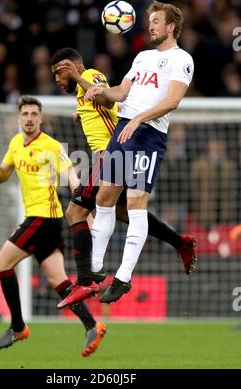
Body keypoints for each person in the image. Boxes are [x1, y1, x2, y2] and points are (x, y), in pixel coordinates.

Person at [50, 38, 196, 310]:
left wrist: (80, 79)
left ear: (71, 66)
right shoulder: (82, 93)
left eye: (59, 73)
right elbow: (103, 108)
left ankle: (86, 279)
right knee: (123, 213)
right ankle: (181, 242)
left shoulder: (91, 76)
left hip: (110, 153)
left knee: (75, 212)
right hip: (110, 153)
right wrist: (81, 112)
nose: (58, 80)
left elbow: (106, 100)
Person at [0, 95, 106, 357]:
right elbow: (3, 176)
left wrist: (85, 208)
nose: (29, 118)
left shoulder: (51, 146)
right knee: (58, 280)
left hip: (43, 218)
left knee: (1, 264)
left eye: (34, 114)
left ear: (41, 117)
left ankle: (17, 326)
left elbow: (71, 176)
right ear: (19, 116)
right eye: (25, 114)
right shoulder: (15, 143)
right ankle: (93, 325)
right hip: (45, 222)